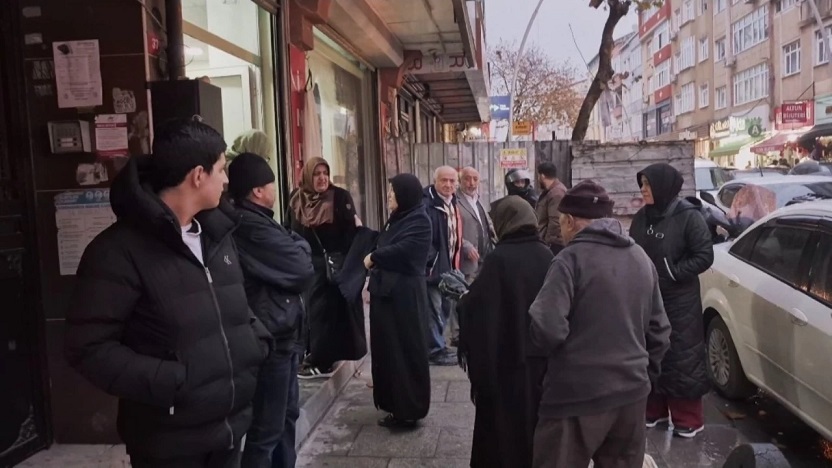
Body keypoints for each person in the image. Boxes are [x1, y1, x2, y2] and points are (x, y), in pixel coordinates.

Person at [64, 119, 272, 468]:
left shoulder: (218, 235)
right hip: (168, 442)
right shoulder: (118, 252)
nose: (226, 180)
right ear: (197, 175)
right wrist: (173, 381)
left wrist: (254, 344)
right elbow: (87, 347)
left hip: (227, 431)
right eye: (221, 169)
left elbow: (235, 305)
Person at [529, 180, 671, 468]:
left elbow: (547, 327)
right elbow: (661, 332)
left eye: (560, 223)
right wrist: (642, 374)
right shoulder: (640, 257)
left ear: (568, 221)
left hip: (575, 398)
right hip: (631, 395)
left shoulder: (568, 260)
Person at [228, 153, 315, 468]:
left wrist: (297, 247)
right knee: (267, 428)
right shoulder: (249, 223)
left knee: (285, 417)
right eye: (271, 183)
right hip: (272, 338)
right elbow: (302, 267)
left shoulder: (261, 219)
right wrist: (299, 248)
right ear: (257, 190)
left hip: (284, 334)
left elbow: (297, 249)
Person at [457, 195, 554, 468]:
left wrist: (464, 300)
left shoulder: (500, 258)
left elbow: (480, 309)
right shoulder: (546, 254)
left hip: (505, 367)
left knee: (501, 435)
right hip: (538, 367)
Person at [630, 163, 714, 439]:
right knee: (651, 353)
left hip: (680, 301)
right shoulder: (642, 218)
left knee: (681, 358)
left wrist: (674, 272)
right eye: (642, 184)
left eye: (648, 184)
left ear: (664, 186)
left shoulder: (689, 217)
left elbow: (704, 255)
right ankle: (652, 411)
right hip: (647, 297)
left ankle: (687, 419)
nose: (643, 190)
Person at [364, 173, 433, 429]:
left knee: (405, 349)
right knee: (388, 351)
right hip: (387, 295)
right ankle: (394, 405)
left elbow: (405, 250)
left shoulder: (419, 220)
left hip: (404, 296)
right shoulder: (398, 219)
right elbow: (384, 241)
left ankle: (409, 409)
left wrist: (375, 257)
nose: (389, 196)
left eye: (393, 192)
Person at [288, 157, 366, 379]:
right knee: (311, 314)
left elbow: (352, 233)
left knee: (327, 314)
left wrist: (352, 268)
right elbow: (288, 229)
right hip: (305, 266)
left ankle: (321, 360)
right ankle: (315, 354)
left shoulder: (339, 197)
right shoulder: (296, 199)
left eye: (325, 173)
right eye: (316, 174)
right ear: (307, 176)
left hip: (333, 268)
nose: (322, 178)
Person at [423, 166, 464, 366]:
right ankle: (434, 350)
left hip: (450, 266)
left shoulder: (453, 202)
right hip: (433, 268)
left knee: (446, 307)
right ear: (435, 181)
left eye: (452, 181)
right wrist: (431, 261)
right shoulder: (427, 203)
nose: (448, 185)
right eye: (444, 180)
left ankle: (439, 344)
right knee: (434, 308)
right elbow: (425, 237)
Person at [453, 166, 496, 346]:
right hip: (465, 260)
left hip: (484, 258)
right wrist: (464, 245)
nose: (471, 183)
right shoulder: (454, 201)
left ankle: (474, 330)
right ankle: (457, 334)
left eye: (475, 179)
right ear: (460, 181)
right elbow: (451, 228)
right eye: (467, 179)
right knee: (461, 296)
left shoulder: (479, 200)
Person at [535, 162, 568, 255]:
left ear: (542, 176)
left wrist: (547, 244)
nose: (538, 179)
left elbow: (556, 222)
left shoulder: (556, 193)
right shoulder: (550, 191)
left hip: (553, 246)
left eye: (538, 176)